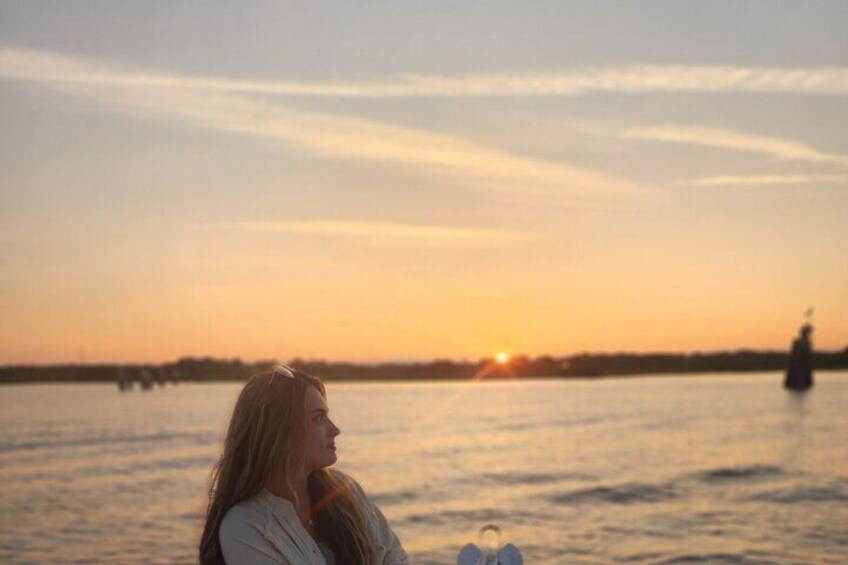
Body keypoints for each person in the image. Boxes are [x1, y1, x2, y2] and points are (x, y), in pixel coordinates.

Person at [199, 365, 410, 565]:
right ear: (280, 433)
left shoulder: (344, 490)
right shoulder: (244, 525)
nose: (334, 429)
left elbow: (395, 557)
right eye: (319, 418)